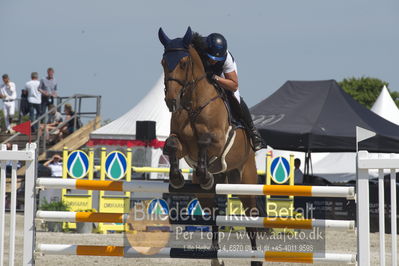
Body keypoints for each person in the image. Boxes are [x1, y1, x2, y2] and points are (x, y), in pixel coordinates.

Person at [195, 33, 266, 151]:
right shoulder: (200, 47)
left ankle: (254, 133)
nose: (213, 61)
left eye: (216, 60)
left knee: (235, 97)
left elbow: (234, 85)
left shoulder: (226, 59)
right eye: (211, 58)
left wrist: (215, 78)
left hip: (220, 74)